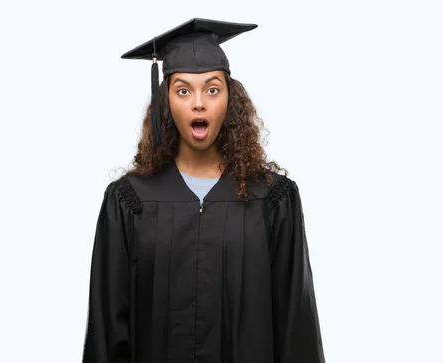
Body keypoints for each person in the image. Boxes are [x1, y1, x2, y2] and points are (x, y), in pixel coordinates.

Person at [82, 18, 326, 363]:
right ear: (165, 101)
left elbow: (295, 328)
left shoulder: (273, 199)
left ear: (231, 99)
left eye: (212, 89)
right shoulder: (129, 201)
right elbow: (108, 331)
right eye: (183, 90)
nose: (199, 103)